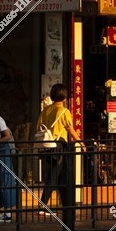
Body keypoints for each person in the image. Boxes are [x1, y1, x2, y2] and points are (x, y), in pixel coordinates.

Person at [37, 83, 80, 212]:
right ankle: (43, 205)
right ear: (65, 98)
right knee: (54, 176)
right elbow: (70, 129)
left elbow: (38, 127)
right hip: (59, 146)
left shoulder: (46, 110)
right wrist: (81, 142)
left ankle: (67, 204)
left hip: (46, 146)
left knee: (61, 176)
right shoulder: (64, 112)